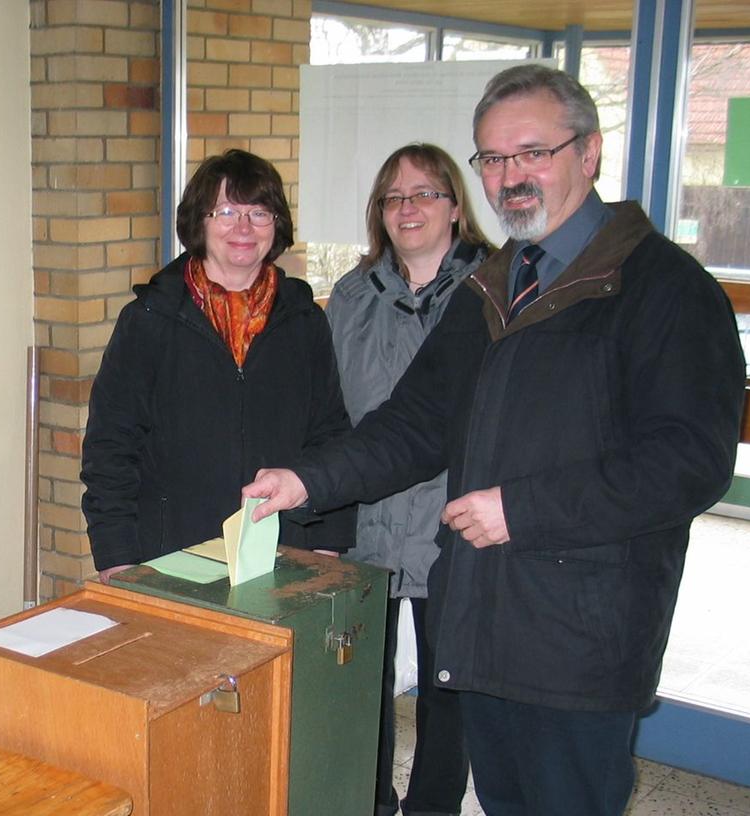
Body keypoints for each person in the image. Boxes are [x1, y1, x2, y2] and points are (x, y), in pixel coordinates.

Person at [245, 64, 745, 816]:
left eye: (531, 152)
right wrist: (308, 480)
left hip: (582, 639)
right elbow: (416, 421)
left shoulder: (663, 289)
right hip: (484, 617)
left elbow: (688, 462)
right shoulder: (496, 285)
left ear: (589, 153)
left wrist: (521, 508)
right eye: (491, 158)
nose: (510, 177)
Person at [81, 148, 351, 584]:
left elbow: (330, 435)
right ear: (199, 222)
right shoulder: (149, 321)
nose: (243, 227)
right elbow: (110, 447)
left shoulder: (304, 321)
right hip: (170, 556)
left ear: (276, 224)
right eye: (226, 211)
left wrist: (329, 542)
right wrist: (116, 557)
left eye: (259, 212)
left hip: (283, 553)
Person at [326, 143, 493, 816]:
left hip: (455, 525)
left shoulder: (494, 292)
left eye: (424, 193)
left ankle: (432, 807)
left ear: (455, 206)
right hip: (365, 521)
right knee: (359, 683)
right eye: (394, 197)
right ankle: (370, 802)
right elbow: (329, 413)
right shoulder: (348, 296)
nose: (408, 208)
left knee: (444, 688)